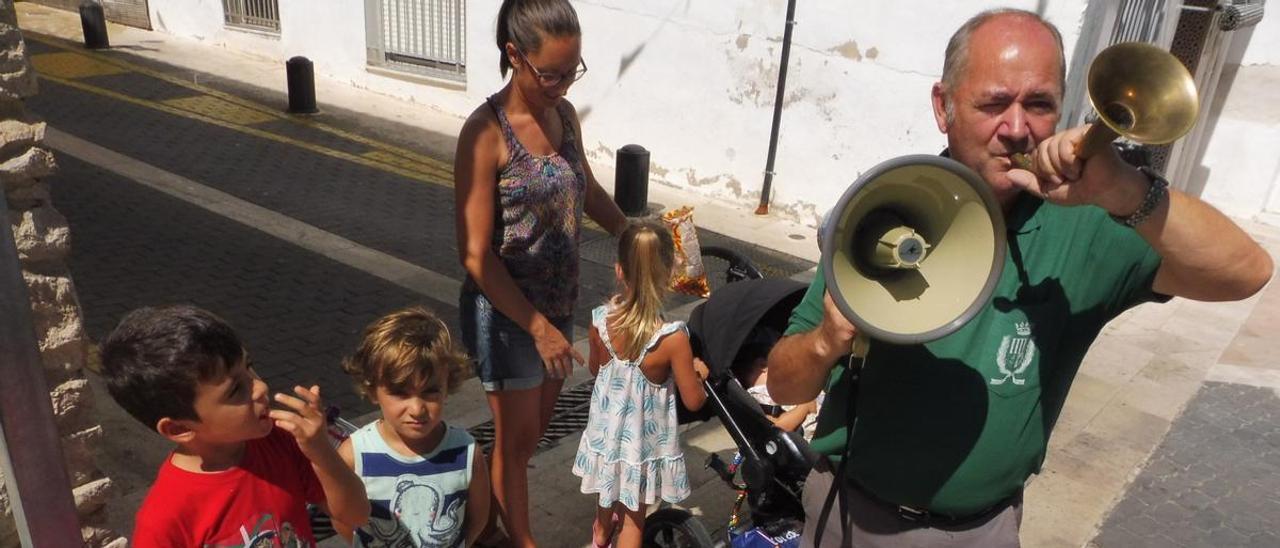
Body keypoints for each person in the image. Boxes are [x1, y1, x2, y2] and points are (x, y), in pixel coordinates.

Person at [766, 9, 1274, 548]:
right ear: (944, 106)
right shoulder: (887, 204)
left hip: (983, 529)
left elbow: (1246, 272)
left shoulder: (1091, 223)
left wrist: (1122, 188)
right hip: (853, 514)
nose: (1016, 128)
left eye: (1039, 104)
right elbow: (784, 384)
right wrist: (824, 343)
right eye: (993, 103)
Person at [453, 0, 627, 545]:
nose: (562, 86)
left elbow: (589, 190)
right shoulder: (485, 133)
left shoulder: (565, 116)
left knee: (526, 441)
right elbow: (476, 255)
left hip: (557, 306)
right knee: (516, 441)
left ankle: (477, 507)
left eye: (572, 71)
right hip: (506, 314)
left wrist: (633, 235)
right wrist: (537, 327)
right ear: (514, 56)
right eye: (549, 73)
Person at [99, 305, 370, 546]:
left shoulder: (279, 442)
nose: (261, 387)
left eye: (249, 367)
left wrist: (321, 451)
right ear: (179, 429)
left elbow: (356, 515)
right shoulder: (165, 518)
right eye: (236, 389)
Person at [571, 221, 710, 548]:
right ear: (669, 273)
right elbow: (693, 401)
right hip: (642, 446)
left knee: (609, 488)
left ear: (619, 270)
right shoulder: (673, 337)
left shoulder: (598, 320)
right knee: (634, 520)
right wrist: (698, 372)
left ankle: (600, 534)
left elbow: (597, 368)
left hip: (607, 434)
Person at [335, 306, 491, 547]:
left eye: (430, 392)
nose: (417, 409)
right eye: (400, 393)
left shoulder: (466, 452)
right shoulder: (354, 455)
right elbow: (342, 517)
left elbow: (477, 518)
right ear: (371, 389)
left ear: (447, 385)